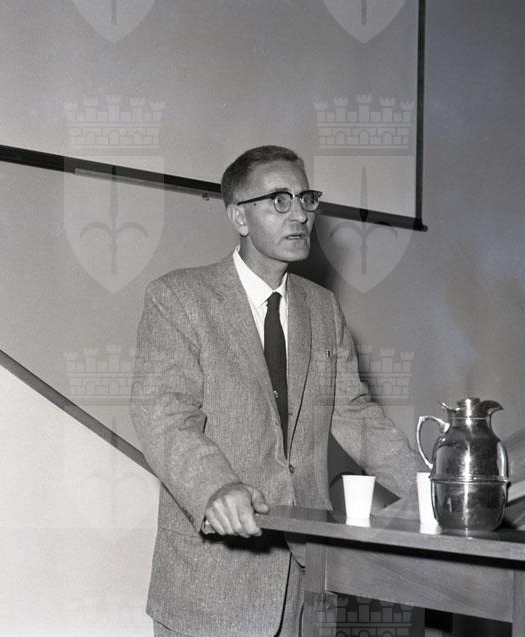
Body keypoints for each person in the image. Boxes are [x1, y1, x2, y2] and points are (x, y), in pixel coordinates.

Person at [130, 145, 419, 636]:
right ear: (239, 217)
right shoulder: (178, 297)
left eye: (306, 199)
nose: (300, 214)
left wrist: (435, 494)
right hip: (211, 587)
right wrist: (214, 487)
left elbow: (357, 415)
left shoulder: (323, 309)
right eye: (279, 201)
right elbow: (163, 413)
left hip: (306, 584)